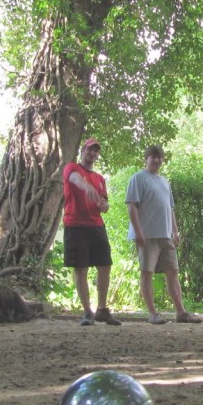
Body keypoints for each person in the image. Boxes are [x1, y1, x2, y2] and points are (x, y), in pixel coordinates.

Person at [125, 145, 201, 325]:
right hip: (147, 235)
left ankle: (181, 313)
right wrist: (138, 231)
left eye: (159, 158)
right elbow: (131, 206)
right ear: (146, 158)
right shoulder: (138, 178)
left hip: (165, 234)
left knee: (173, 271)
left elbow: (170, 208)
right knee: (147, 272)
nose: (157, 160)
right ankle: (153, 314)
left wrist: (175, 231)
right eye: (153, 157)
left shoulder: (165, 181)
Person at [62, 138, 122, 326]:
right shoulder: (72, 168)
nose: (93, 154)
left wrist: (103, 205)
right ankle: (87, 311)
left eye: (96, 152)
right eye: (90, 150)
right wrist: (86, 186)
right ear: (83, 150)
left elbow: (105, 206)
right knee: (81, 268)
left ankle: (102, 310)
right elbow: (75, 180)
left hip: (96, 225)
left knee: (105, 265)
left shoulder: (100, 179)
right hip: (75, 225)